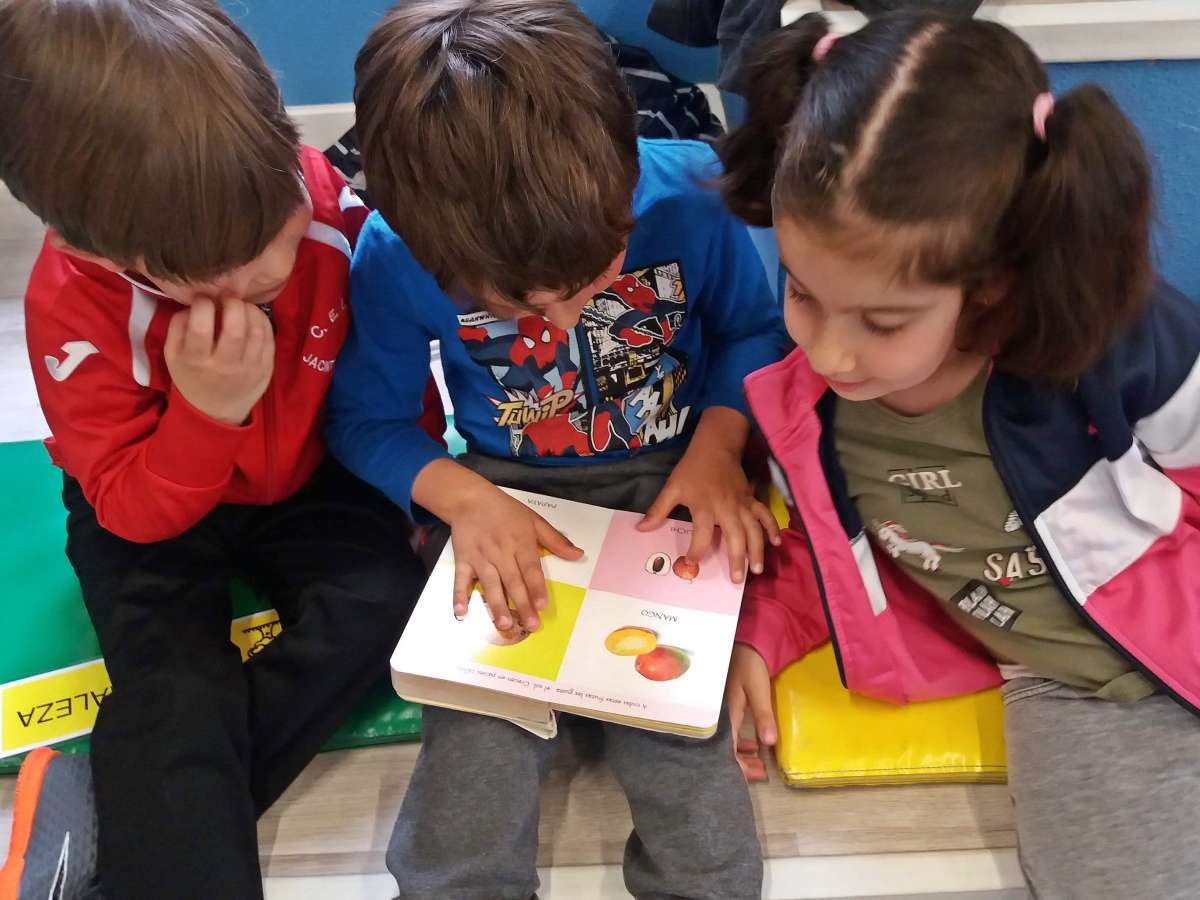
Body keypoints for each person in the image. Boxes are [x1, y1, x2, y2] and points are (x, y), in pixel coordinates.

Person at [721, 12, 1200, 898]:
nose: (828, 353)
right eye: (802, 292)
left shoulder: (1121, 347)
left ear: (993, 284)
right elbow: (819, 556)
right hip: (1079, 693)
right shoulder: (808, 416)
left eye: (884, 321)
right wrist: (758, 635)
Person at [327, 2, 790, 896]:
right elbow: (365, 420)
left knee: (676, 736)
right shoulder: (393, 252)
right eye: (519, 310)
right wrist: (462, 498)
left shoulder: (692, 192)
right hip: (506, 495)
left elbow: (753, 335)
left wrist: (719, 447)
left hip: (668, 485)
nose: (571, 320)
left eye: (589, 282)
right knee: (475, 732)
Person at [0, 2, 438, 898]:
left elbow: (389, 367)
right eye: (208, 272)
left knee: (389, 603)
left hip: (315, 478)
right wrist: (205, 414)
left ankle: (125, 804)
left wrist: (424, 487)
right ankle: (154, 811)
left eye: (272, 223)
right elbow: (126, 503)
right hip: (146, 500)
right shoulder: (72, 306)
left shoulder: (326, 206)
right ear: (102, 249)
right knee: (175, 685)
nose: (261, 275)